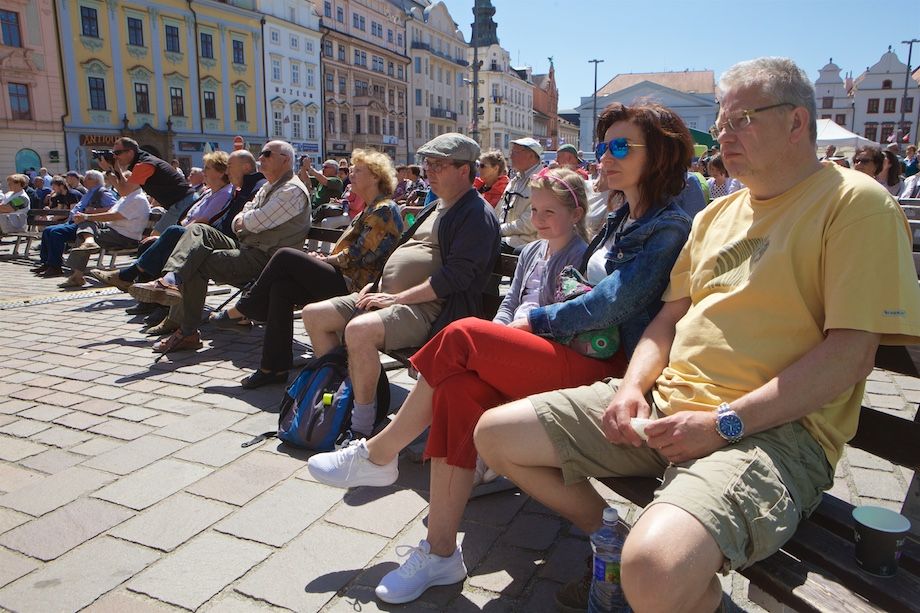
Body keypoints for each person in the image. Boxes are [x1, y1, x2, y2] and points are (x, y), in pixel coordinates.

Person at [473, 56, 920, 613]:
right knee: (494, 433)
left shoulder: (854, 203)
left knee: (654, 570)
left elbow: (850, 356)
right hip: (666, 408)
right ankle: (609, 536)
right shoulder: (715, 215)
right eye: (723, 122)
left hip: (774, 434)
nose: (724, 135)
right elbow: (666, 320)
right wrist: (634, 388)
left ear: (797, 123)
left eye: (741, 121)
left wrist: (722, 424)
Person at [307, 105, 695, 604]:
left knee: (464, 336)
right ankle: (440, 551)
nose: (606, 156)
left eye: (621, 146)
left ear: (659, 154)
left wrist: (536, 320)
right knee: (458, 390)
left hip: (609, 368)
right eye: (603, 146)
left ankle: (380, 453)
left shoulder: (665, 226)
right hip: (573, 350)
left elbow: (614, 301)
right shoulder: (624, 216)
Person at [302, 133, 500, 439]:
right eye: (427, 164)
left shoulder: (474, 213)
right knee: (315, 315)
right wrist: (376, 285)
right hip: (393, 298)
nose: (428, 171)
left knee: (359, 331)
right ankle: (349, 395)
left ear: (464, 170)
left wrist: (397, 298)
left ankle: (360, 426)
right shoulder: (436, 207)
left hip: (432, 311)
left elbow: (457, 277)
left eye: (439, 165)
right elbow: (399, 253)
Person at [211, 149, 405, 389]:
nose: (351, 174)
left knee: (284, 256)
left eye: (358, 171)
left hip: (358, 287)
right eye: (352, 170)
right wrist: (324, 258)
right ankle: (273, 367)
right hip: (345, 277)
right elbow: (350, 255)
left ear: (376, 177)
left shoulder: (384, 209)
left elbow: (358, 257)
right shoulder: (370, 208)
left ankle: (245, 308)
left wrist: (325, 261)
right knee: (282, 288)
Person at [127, 140, 310, 353]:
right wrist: (245, 222)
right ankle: (169, 281)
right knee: (198, 230)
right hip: (249, 248)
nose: (260, 158)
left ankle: (187, 332)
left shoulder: (291, 190)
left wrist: (245, 222)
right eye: (260, 154)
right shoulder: (269, 186)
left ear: (285, 159)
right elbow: (240, 219)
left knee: (196, 261)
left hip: (269, 260)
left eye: (267, 154)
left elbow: (251, 222)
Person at [87, 151, 236, 310]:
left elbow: (203, 220)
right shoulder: (208, 192)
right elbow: (189, 217)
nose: (203, 172)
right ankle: (147, 301)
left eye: (208, 168)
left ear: (221, 172)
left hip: (202, 239)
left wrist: (167, 235)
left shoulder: (224, 193)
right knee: (149, 244)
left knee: (170, 235)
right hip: (191, 233)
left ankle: (129, 277)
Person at [60, 171, 150, 288]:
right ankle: (89, 242)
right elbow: (109, 213)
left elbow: (114, 216)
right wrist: (87, 217)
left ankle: (77, 274)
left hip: (125, 236)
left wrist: (88, 216)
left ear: (136, 182)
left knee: (84, 228)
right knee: (86, 223)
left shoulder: (137, 198)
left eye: (125, 180)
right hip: (113, 229)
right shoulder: (127, 197)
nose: (121, 183)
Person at [97, 137, 197, 232]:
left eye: (117, 153)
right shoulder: (142, 162)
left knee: (155, 239)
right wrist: (114, 169)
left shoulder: (144, 164)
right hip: (181, 202)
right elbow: (125, 189)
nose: (115, 157)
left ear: (130, 152)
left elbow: (124, 191)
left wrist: (109, 171)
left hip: (183, 202)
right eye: (113, 153)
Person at [31, 170, 116, 277]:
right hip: (74, 222)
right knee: (48, 231)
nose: (84, 180)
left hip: (85, 225)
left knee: (56, 233)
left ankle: (55, 266)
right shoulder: (89, 192)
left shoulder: (102, 192)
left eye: (87, 178)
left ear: (95, 180)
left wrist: (94, 211)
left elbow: (114, 208)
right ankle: (47, 263)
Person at [498, 137, 543, 251]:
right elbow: (501, 211)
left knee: (485, 246)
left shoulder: (542, 181)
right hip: (508, 237)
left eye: (515, 152)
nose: (511, 156)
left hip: (527, 241)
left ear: (531, 156)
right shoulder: (516, 180)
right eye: (511, 152)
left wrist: (499, 229)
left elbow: (530, 223)